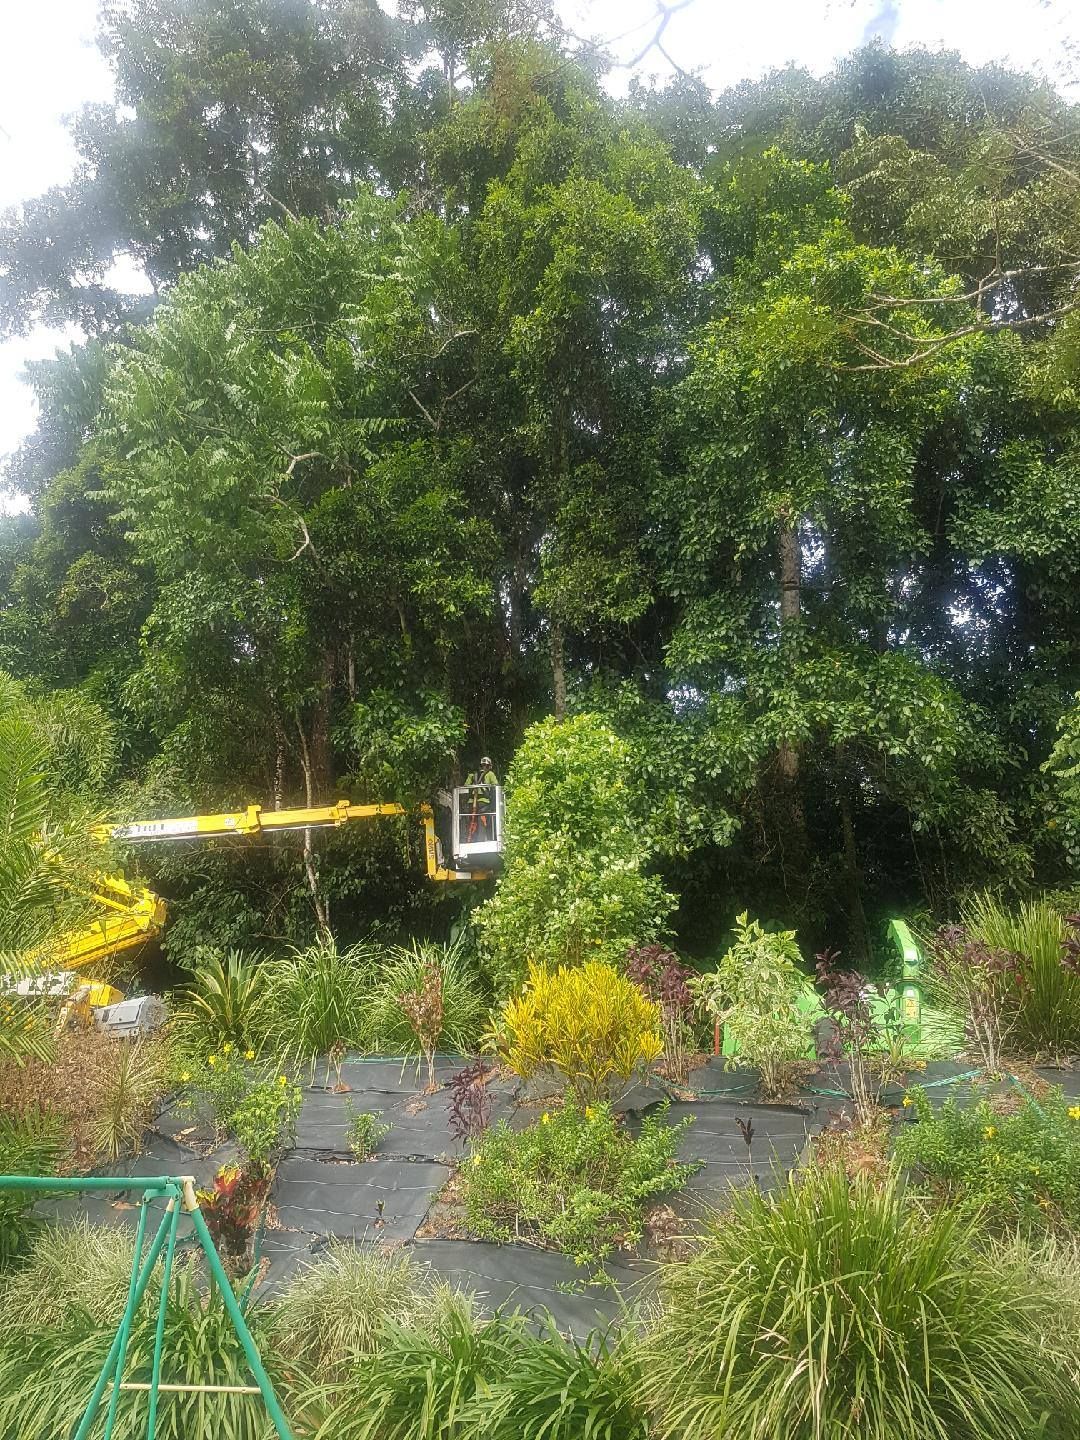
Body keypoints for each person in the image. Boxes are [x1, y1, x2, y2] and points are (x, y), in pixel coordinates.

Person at [463, 757, 498, 842]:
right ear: (490, 766)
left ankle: (471, 840)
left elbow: (466, 786)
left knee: (472, 821)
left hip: (471, 803)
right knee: (482, 822)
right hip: (483, 803)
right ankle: (480, 840)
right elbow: (495, 785)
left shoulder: (472, 775)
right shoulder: (490, 774)